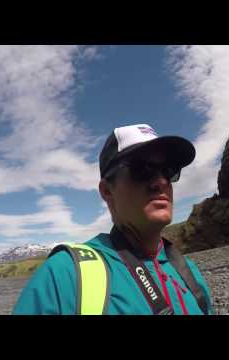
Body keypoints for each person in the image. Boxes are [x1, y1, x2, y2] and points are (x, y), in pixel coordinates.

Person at [12, 124, 214, 315]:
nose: (161, 182)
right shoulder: (64, 275)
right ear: (107, 191)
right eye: (141, 169)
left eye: (168, 171)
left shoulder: (189, 273)